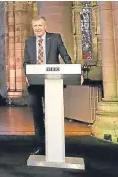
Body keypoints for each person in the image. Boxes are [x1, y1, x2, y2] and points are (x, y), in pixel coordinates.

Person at [23, 16, 72, 156]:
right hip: (35, 84)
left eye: (40, 25)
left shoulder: (55, 38)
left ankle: (55, 145)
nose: (37, 28)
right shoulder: (29, 42)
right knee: (37, 116)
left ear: (45, 26)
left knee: (53, 114)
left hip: (53, 82)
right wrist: (27, 74)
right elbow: (26, 62)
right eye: (35, 26)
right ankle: (41, 146)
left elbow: (65, 55)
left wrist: (72, 70)